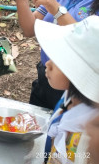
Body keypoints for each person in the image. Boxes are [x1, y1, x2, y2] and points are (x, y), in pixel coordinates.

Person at [34, 16, 99, 163]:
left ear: (79, 75)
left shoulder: (88, 139)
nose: (47, 64)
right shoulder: (69, 97)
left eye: (59, 60)